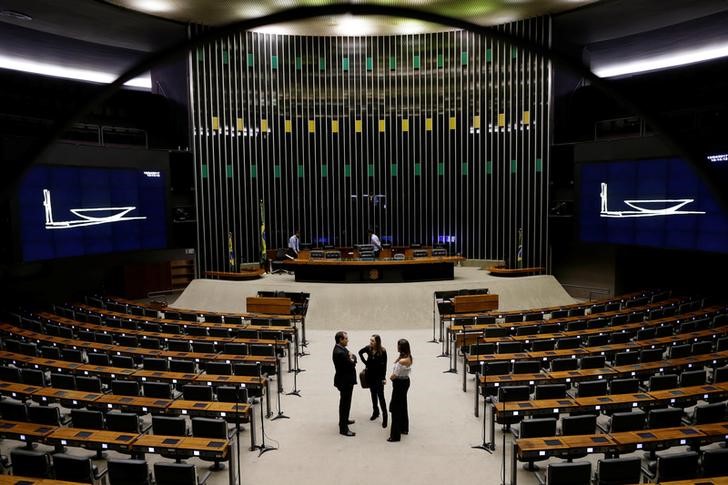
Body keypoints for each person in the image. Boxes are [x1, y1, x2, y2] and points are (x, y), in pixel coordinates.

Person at [358, 335, 388, 428]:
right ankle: (375, 411)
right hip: (370, 375)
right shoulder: (368, 348)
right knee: (373, 394)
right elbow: (360, 352)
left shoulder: (382, 351)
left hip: (379, 377)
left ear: (377, 342)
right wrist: (365, 363)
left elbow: (384, 366)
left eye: (373, 341)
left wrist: (384, 378)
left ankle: (385, 415)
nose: (370, 342)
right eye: (370, 340)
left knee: (381, 396)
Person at [332, 330, 357, 436]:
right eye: (346, 338)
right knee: (344, 404)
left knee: (346, 402)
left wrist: (352, 358)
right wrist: (352, 359)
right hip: (344, 381)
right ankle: (343, 428)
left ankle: (345, 420)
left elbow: (353, 356)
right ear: (340, 339)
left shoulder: (341, 348)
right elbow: (351, 364)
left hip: (346, 380)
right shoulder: (340, 352)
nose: (348, 340)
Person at [387, 338, 412, 442]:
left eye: (398, 346)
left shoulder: (402, 361)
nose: (397, 347)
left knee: (396, 408)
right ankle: (404, 427)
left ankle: (395, 435)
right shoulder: (408, 357)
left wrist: (390, 378)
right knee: (403, 404)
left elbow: (395, 375)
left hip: (399, 383)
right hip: (405, 382)